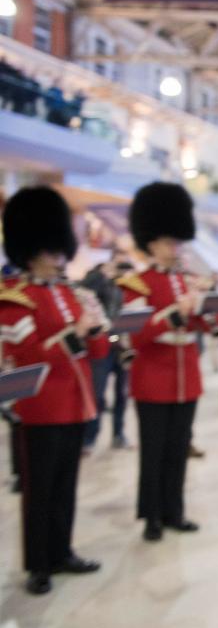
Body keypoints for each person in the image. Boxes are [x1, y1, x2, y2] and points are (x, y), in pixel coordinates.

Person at [0, 186, 106, 595]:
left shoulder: (68, 292)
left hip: (75, 403)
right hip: (41, 406)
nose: (59, 255)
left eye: (60, 248)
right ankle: (37, 564)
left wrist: (95, 327)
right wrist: (75, 333)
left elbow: (94, 351)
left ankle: (62, 550)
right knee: (39, 489)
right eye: (50, 249)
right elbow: (26, 355)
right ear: (31, 250)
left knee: (66, 485)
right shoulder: (15, 299)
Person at [119, 182, 218, 543]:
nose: (174, 249)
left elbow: (207, 325)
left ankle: (174, 510)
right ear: (151, 244)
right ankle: (151, 515)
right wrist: (174, 314)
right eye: (168, 242)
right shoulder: (136, 284)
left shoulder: (187, 281)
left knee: (179, 449)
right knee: (154, 452)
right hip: (153, 378)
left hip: (185, 377)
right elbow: (136, 333)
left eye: (177, 242)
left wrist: (209, 307)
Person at [80, 254, 134, 453]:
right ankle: (90, 437)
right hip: (101, 344)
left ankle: (119, 434)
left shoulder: (126, 285)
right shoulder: (97, 279)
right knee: (98, 393)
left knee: (122, 393)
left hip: (121, 343)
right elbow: (85, 290)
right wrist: (103, 274)